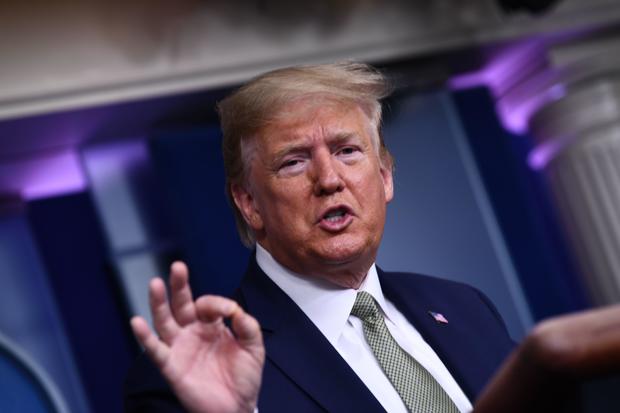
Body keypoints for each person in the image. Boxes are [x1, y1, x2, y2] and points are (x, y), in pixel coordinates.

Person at [124, 62, 515, 413]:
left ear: (384, 176)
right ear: (249, 203)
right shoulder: (193, 373)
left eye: (347, 151)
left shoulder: (465, 307)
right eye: (294, 162)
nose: (329, 180)